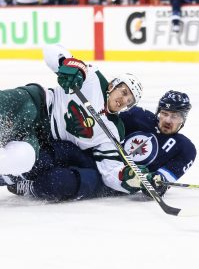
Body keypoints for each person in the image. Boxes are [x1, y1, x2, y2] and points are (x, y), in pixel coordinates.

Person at [0, 44, 144, 199]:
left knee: (23, 159)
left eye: (129, 101)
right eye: (123, 92)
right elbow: (50, 50)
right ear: (112, 84)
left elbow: (109, 170)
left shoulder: (114, 130)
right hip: (36, 103)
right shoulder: (93, 78)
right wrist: (72, 67)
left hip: (42, 137)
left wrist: (126, 178)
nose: (123, 100)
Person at [4, 90, 196, 201]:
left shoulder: (185, 149)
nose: (168, 120)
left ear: (183, 119)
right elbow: (107, 123)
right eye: (165, 113)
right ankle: (7, 175)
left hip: (111, 181)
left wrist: (154, 183)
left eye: (175, 116)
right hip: (95, 154)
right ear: (158, 111)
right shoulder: (138, 116)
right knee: (55, 152)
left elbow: (162, 179)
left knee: (59, 182)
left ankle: (27, 186)